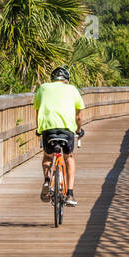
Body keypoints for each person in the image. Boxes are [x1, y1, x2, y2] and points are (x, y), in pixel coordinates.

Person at [34, 66, 86, 206]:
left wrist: (39, 129)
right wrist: (79, 130)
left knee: (47, 156)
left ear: (52, 80)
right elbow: (79, 116)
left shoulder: (43, 88)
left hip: (48, 129)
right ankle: (70, 193)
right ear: (66, 80)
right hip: (67, 130)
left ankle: (46, 181)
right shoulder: (73, 89)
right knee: (69, 157)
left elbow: (38, 112)